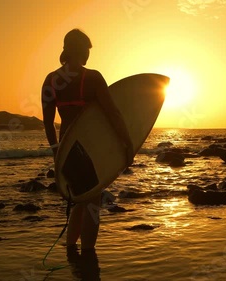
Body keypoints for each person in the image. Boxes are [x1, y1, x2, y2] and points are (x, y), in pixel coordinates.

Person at [41, 29, 134, 255]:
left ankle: (71, 251)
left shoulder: (51, 80)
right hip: (91, 149)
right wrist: (128, 143)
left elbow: (47, 123)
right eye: (87, 50)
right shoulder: (92, 78)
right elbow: (113, 114)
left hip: (68, 149)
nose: (88, 55)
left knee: (78, 200)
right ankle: (88, 256)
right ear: (81, 50)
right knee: (92, 202)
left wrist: (57, 152)